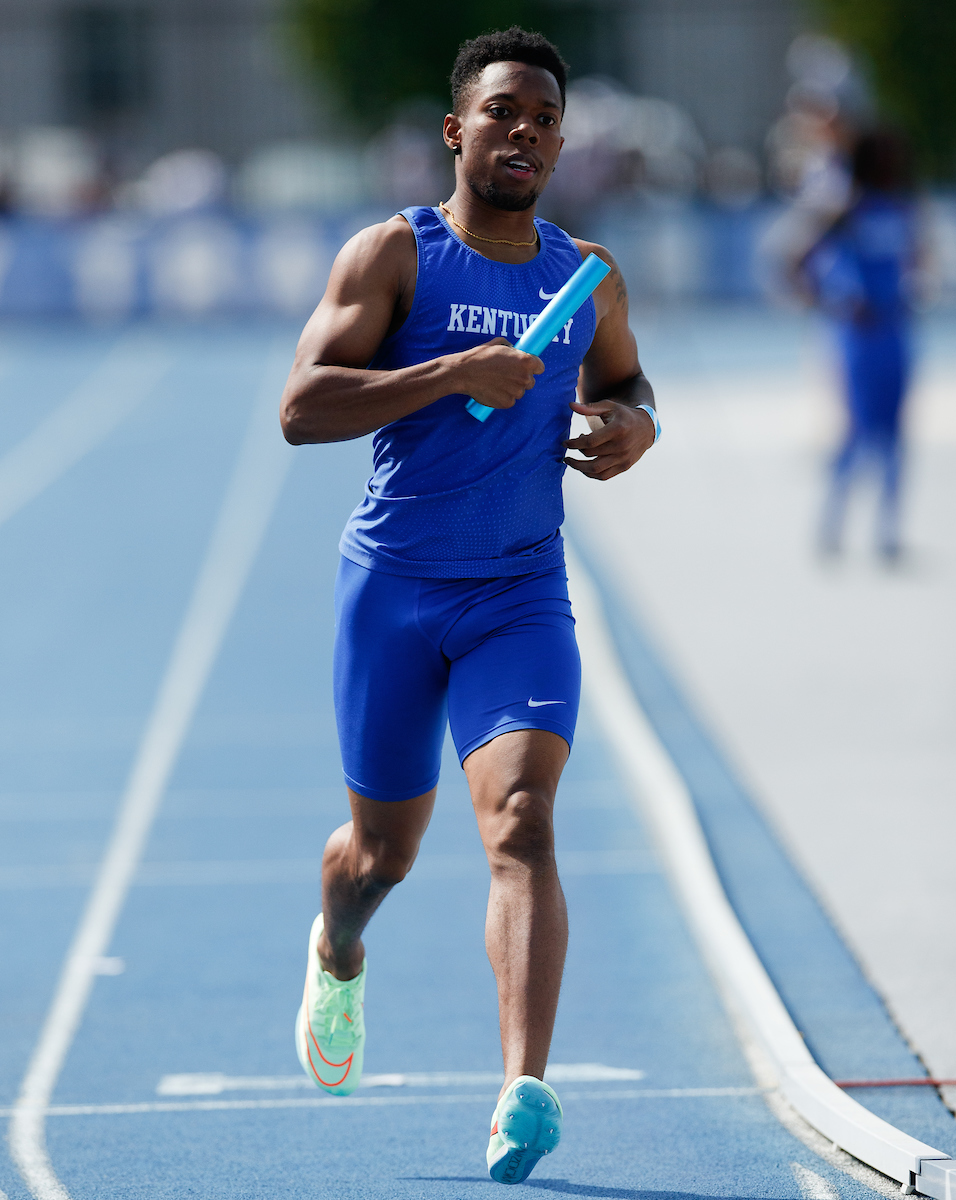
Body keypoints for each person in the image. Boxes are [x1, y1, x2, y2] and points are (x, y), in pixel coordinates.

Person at [279, 27, 658, 1185]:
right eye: (504, 113)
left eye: (545, 119)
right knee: (381, 857)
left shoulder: (585, 273)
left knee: (523, 824)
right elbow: (302, 406)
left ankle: (520, 1090)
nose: (525, 134)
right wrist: (448, 372)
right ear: (458, 130)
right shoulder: (396, 255)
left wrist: (637, 423)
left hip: (519, 594)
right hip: (394, 591)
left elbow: (625, 380)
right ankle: (338, 948)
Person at [800, 128, 918, 561]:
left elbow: (915, 260)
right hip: (859, 337)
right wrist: (841, 299)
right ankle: (832, 521)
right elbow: (805, 263)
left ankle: (888, 530)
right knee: (858, 429)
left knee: (896, 432)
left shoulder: (905, 207)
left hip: (897, 332)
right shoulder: (848, 210)